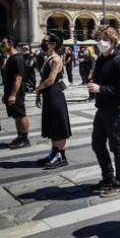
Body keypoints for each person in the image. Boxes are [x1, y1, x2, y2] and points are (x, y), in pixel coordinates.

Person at [88, 26, 120, 197]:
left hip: (117, 109)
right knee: (97, 143)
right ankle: (108, 177)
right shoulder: (100, 60)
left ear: (113, 41)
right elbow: (99, 81)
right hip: (103, 108)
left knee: (116, 146)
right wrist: (94, 85)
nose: (101, 42)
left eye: (105, 39)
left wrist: (101, 89)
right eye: (99, 38)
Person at [35, 32, 72, 169]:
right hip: (49, 96)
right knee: (52, 126)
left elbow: (51, 80)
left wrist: (38, 89)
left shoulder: (56, 59)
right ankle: (54, 152)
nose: (43, 43)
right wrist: (39, 94)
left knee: (59, 126)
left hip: (55, 96)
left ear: (53, 44)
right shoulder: (49, 57)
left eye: (46, 41)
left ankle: (61, 156)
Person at [1, 36, 31, 149]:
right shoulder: (10, 57)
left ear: (10, 43)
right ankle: (20, 136)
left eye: (3, 42)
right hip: (10, 92)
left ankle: (25, 139)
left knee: (21, 115)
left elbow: (18, 78)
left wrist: (13, 94)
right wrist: (6, 94)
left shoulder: (17, 58)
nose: (1, 45)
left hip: (17, 93)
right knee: (16, 116)